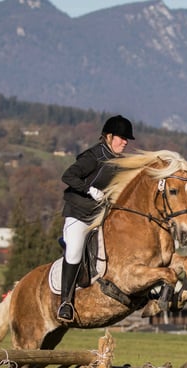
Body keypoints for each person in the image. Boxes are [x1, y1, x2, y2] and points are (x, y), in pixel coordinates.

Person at [57, 114, 135, 322]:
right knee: (74, 251)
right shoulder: (93, 156)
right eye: (121, 137)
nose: (125, 142)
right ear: (108, 137)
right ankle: (65, 302)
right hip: (79, 214)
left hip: (102, 216)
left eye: (126, 139)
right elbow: (68, 176)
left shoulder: (120, 162)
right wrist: (89, 189)